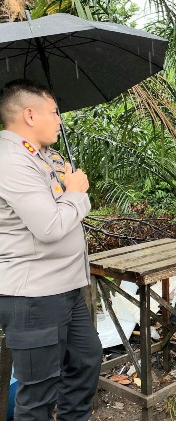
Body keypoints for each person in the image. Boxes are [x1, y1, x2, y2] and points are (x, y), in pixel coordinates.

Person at [0, 79, 102, 421]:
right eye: (54, 112)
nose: (60, 120)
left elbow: (69, 207)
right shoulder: (10, 161)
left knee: (86, 362)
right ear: (30, 115)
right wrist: (74, 192)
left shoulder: (46, 156)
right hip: (34, 296)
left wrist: (72, 191)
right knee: (40, 392)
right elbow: (50, 226)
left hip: (66, 289)